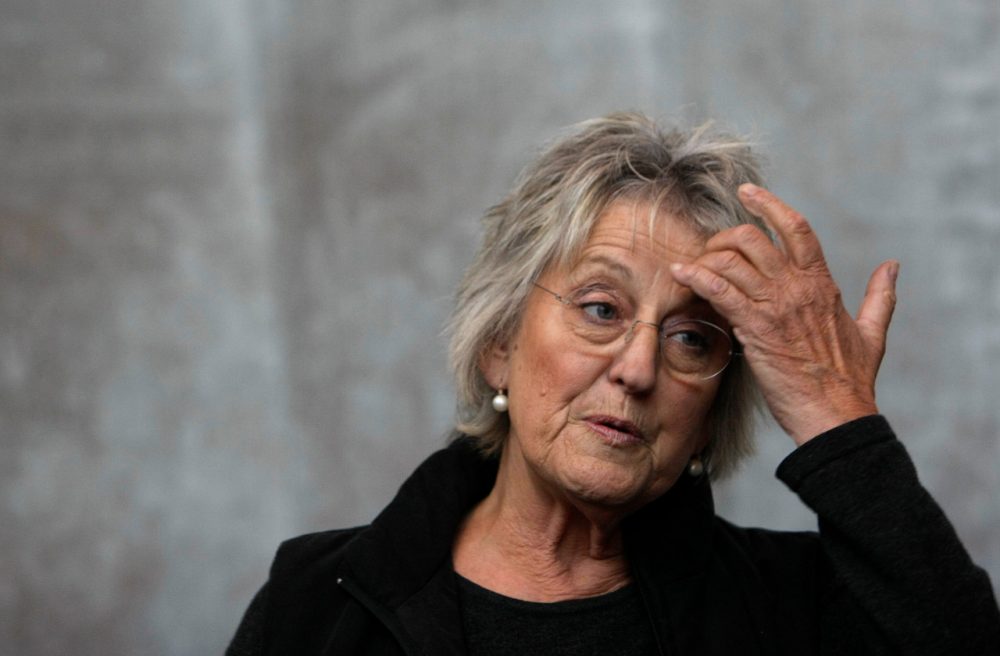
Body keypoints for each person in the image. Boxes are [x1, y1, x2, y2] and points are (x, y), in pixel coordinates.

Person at [226, 112, 1000, 655]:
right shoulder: (316, 601)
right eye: (600, 308)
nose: (636, 370)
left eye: (692, 338)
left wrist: (839, 419)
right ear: (500, 345)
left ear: (712, 410)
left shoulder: (796, 607)